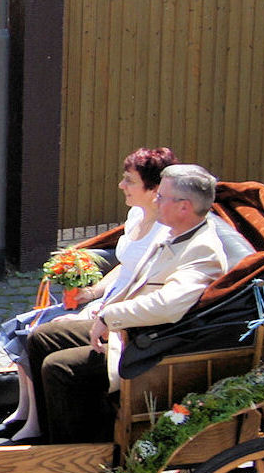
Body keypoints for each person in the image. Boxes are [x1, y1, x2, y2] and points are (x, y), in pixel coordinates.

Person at [21, 163, 231, 445]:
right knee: (41, 338)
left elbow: (169, 305)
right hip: (131, 330)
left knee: (59, 368)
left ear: (184, 207)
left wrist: (110, 317)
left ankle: (74, 456)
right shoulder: (174, 232)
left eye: (162, 197)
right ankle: (50, 435)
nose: (155, 201)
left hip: (152, 345)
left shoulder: (202, 249)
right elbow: (135, 281)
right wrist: (99, 308)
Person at [0, 146, 177, 441]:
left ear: (153, 189)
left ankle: (39, 422)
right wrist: (92, 291)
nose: (121, 185)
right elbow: (124, 266)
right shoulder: (137, 215)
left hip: (122, 304)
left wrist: (100, 309)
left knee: (38, 332)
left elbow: (142, 284)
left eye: (129, 180)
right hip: (107, 296)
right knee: (24, 326)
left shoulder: (164, 234)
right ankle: (25, 411)